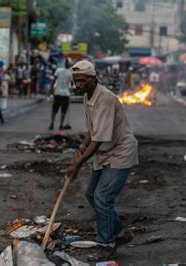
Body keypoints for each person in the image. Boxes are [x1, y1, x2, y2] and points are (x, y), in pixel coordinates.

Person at [66, 60, 138, 261]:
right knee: (91, 194)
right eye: (75, 81)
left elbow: (99, 138)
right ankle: (120, 232)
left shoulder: (105, 98)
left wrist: (78, 164)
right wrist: (82, 147)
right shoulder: (87, 96)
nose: (78, 85)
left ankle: (106, 244)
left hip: (120, 151)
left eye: (81, 81)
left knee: (102, 198)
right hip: (105, 152)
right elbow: (92, 130)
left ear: (93, 78)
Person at [49, 60, 73, 130]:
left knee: (54, 109)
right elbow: (71, 84)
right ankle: (61, 125)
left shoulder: (58, 70)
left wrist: (51, 89)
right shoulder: (70, 73)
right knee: (63, 110)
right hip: (66, 94)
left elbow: (54, 80)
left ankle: (52, 123)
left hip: (57, 93)